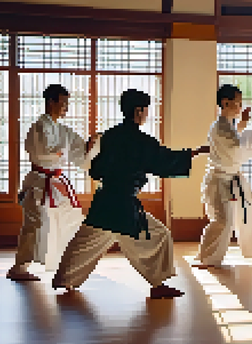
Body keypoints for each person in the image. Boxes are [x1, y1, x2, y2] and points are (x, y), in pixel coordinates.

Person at [51, 89, 208, 299]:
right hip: (124, 206)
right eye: (145, 111)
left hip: (106, 201)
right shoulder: (141, 141)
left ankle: (64, 280)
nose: (146, 115)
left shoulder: (109, 137)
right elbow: (164, 160)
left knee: (86, 242)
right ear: (138, 111)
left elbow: (96, 170)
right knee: (157, 235)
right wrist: (195, 152)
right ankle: (158, 284)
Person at [7, 84, 101, 281]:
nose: (66, 108)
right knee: (34, 223)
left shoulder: (64, 131)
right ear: (51, 102)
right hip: (39, 182)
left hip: (56, 182)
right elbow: (44, 152)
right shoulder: (39, 127)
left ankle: (68, 263)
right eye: (63, 103)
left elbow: (81, 159)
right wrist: (64, 149)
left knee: (68, 218)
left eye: (67, 103)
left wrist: (90, 148)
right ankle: (19, 267)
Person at [193, 84, 252, 269]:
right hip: (219, 180)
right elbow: (237, 147)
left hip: (232, 178)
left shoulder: (228, 126)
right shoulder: (219, 127)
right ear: (225, 103)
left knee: (251, 210)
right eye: (236, 104)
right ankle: (206, 257)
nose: (240, 107)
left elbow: (236, 138)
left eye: (240, 103)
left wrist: (245, 124)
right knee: (223, 220)